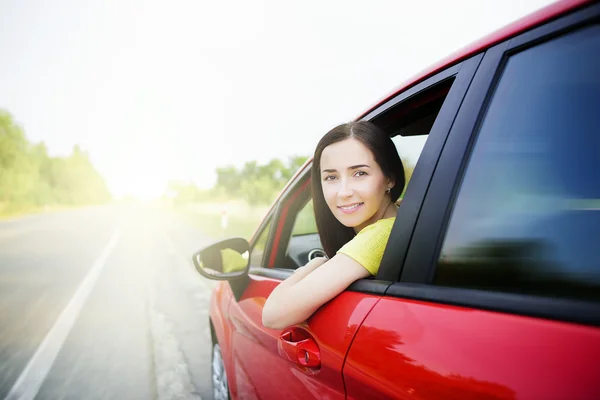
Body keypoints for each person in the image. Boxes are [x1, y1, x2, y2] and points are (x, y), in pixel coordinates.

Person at [262, 121, 405, 329]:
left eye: (360, 173)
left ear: (390, 178)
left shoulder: (381, 235)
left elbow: (273, 315)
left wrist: (317, 263)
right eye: (331, 177)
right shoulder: (404, 214)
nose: (343, 192)